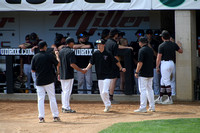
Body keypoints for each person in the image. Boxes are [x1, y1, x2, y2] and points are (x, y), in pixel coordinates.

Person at [85, 39, 126, 112]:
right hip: (99, 76)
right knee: (101, 93)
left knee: (105, 92)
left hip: (108, 75)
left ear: (104, 45)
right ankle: (107, 105)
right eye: (97, 45)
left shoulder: (108, 53)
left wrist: (121, 67)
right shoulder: (95, 53)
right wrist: (86, 69)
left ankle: (108, 104)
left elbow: (116, 61)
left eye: (100, 44)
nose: (98, 46)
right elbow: (91, 62)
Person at [31, 41, 60, 123]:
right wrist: (57, 55)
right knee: (52, 98)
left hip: (39, 81)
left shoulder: (35, 57)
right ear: (44, 47)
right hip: (49, 80)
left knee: (40, 99)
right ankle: (55, 116)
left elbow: (33, 70)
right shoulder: (49, 55)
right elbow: (58, 64)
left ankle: (41, 117)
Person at [58, 37, 87, 113]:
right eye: (73, 43)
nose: (73, 44)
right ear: (70, 43)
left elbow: (58, 63)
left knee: (64, 91)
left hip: (62, 73)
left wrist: (58, 73)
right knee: (67, 91)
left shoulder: (61, 51)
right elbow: (72, 64)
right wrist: (81, 70)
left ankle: (64, 107)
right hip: (68, 74)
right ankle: (66, 107)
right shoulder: (70, 52)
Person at [155, 30, 183, 104]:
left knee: (166, 81)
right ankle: (160, 98)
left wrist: (157, 67)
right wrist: (179, 45)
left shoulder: (161, 45)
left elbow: (159, 57)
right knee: (163, 81)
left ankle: (170, 98)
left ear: (163, 37)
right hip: (172, 63)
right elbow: (181, 51)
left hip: (165, 63)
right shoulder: (173, 44)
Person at [134, 37, 155, 113]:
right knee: (150, 89)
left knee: (142, 90)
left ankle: (143, 107)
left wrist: (136, 72)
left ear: (141, 42)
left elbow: (140, 62)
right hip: (150, 72)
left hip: (143, 73)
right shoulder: (150, 50)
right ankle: (152, 106)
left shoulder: (141, 50)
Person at [146, 29, 161, 95]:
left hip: (154, 64)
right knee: (148, 83)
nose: (149, 35)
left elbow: (157, 54)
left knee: (156, 82)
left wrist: (150, 47)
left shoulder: (156, 43)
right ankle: (149, 95)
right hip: (146, 65)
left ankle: (156, 94)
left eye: (150, 34)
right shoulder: (143, 42)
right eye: (148, 34)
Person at [129, 29, 144, 94]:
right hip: (136, 65)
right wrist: (135, 61)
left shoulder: (146, 46)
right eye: (139, 34)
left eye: (141, 34)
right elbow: (131, 55)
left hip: (145, 66)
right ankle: (138, 93)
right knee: (137, 82)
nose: (140, 36)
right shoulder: (134, 44)